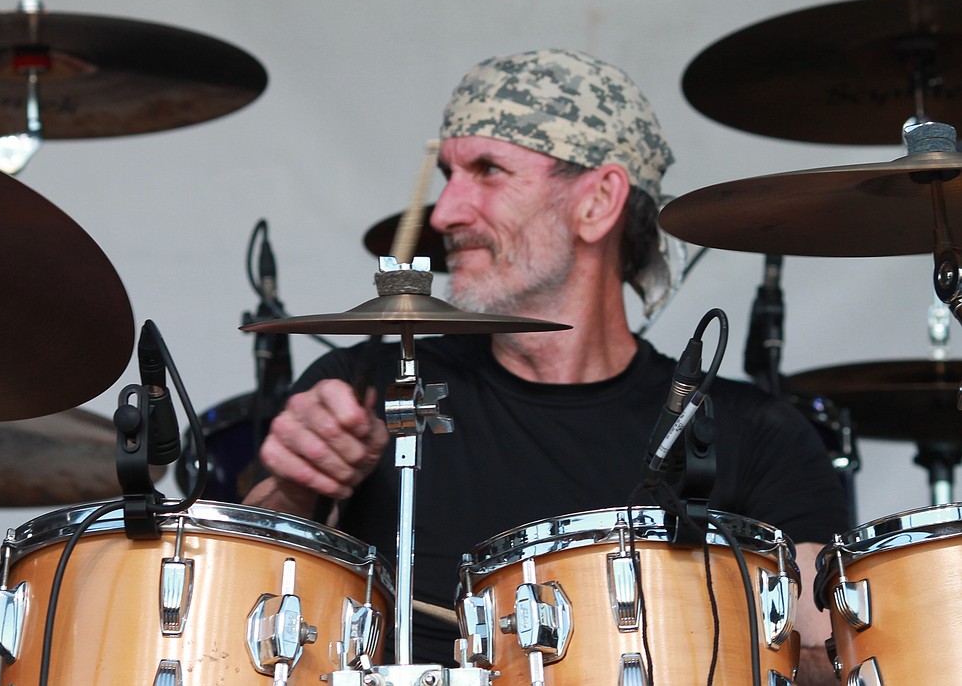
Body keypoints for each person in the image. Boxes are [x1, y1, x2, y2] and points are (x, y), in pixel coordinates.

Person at [244, 48, 847, 683]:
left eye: (488, 171)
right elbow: (239, 608)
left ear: (598, 202)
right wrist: (296, 483)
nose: (444, 213)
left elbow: (829, 653)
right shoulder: (371, 381)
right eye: (448, 174)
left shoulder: (751, 433)